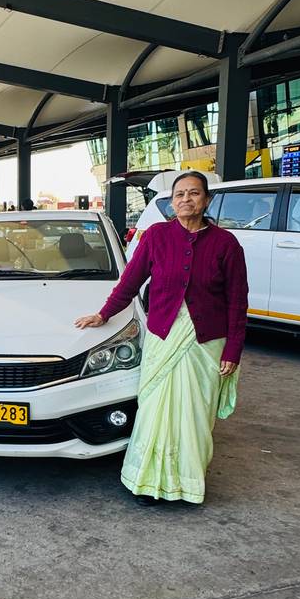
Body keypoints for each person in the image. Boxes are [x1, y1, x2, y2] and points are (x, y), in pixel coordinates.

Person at [75, 171, 248, 506]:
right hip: (163, 335)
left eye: (194, 193)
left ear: (207, 200)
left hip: (205, 341)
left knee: (196, 414)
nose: (186, 199)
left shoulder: (226, 244)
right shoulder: (156, 236)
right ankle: (147, 482)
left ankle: (186, 484)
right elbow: (130, 282)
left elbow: (238, 301)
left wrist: (233, 349)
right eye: (179, 194)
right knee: (155, 409)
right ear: (172, 202)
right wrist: (104, 313)